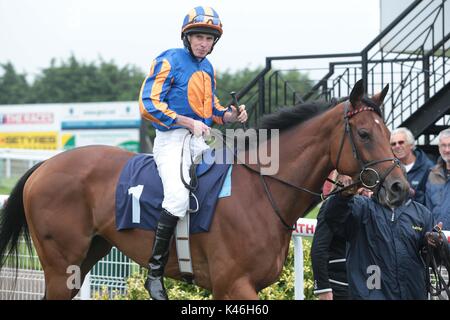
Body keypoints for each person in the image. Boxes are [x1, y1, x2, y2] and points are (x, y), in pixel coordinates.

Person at [138, 6, 247, 300]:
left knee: (228, 187)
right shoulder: (169, 59)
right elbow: (148, 103)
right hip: (171, 140)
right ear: (187, 38)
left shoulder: (207, 69)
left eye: (209, 39)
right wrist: (185, 121)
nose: (203, 43)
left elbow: (212, 109)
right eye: (198, 37)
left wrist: (231, 115)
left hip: (199, 140)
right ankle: (155, 273)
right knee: (176, 197)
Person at [324, 180, 448, 300]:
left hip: (413, 293)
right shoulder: (361, 207)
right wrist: (341, 197)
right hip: (370, 294)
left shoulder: (421, 213)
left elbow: (435, 260)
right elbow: (333, 218)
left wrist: (438, 243)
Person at [312, 173, 372, 300]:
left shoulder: (368, 206)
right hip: (339, 285)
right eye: (362, 187)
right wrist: (324, 289)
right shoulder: (330, 206)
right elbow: (319, 248)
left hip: (363, 284)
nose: (366, 192)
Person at [390, 127, 434, 204]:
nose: (397, 146)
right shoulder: (389, 168)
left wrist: (413, 193)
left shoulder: (428, 167)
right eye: (393, 144)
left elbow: (431, 201)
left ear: (411, 145)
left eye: (401, 142)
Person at [425, 128, 450, 229]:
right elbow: (428, 209)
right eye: (443, 145)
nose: (447, 150)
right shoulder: (433, 174)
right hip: (438, 237)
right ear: (439, 148)